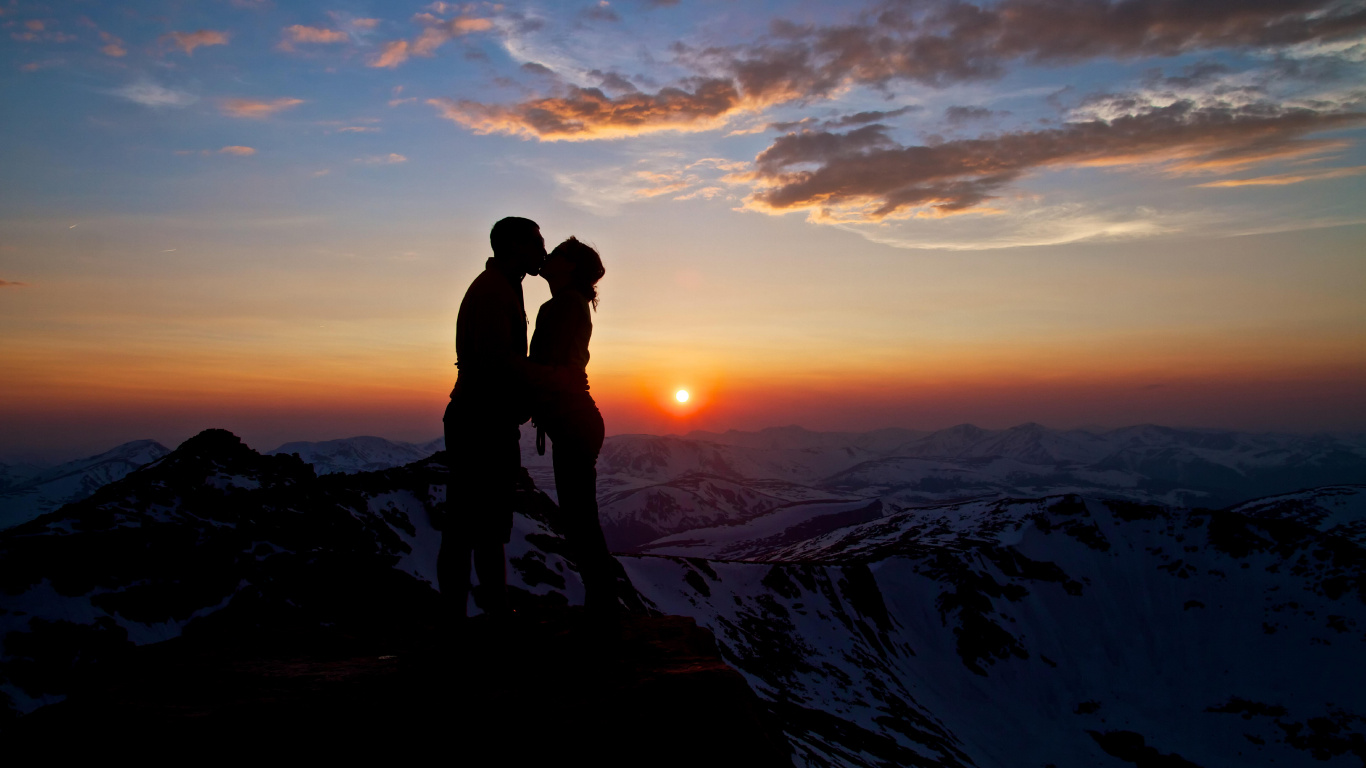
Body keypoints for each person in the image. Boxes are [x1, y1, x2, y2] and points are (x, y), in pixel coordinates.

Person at [439, 217, 580, 624]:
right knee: (472, 523)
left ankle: (481, 613)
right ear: (515, 246)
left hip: (484, 417)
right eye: (537, 243)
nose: (543, 251)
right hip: (481, 419)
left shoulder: (503, 286)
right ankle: (475, 616)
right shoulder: (493, 292)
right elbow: (499, 363)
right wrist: (557, 378)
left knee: (480, 522)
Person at [529, 237, 623, 616]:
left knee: (580, 521)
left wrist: (512, 370)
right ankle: (602, 603)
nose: (548, 257)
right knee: (580, 518)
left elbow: (561, 371)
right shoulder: (568, 304)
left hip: (572, 420)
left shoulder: (562, 306)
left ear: (569, 267)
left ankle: (603, 606)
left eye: (556, 254)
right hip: (574, 420)